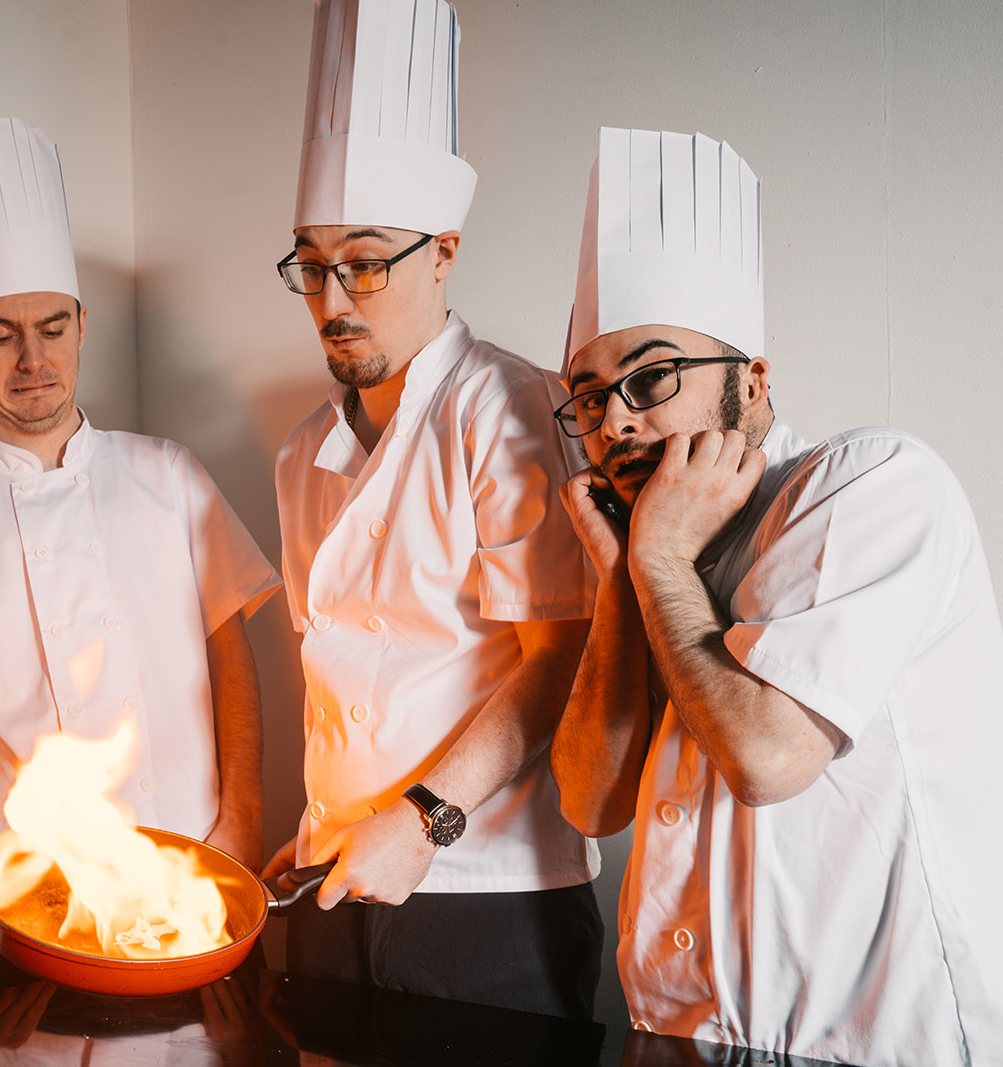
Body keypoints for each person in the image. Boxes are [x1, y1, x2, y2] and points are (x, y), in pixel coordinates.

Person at [551, 127, 1003, 1065]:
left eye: (652, 376)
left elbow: (764, 757)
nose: (615, 421)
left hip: (867, 1046)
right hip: (673, 1036)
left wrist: (659, 562)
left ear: (752, 383)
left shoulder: (872, 483)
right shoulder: (658, 547)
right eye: (589, 397)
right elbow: (591, 800)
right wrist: (623, 576)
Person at [264, 0, 603, 1019]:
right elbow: (345, 677)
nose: (333, 300)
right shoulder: (300, 455)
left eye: (366, 261)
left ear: (444, 250)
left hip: (487, 898)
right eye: (311, 265)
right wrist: (322, 822)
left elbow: (558, 653)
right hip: (335, 874)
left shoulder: (509, 405)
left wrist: (420, 820)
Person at [0, 118, 281, 942]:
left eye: (51, 328)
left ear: (82, 323)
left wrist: (245, 814)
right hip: (30, 887)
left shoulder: (169, 473)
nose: (32, 359)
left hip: (192, 863)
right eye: (1, 334)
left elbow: (230, 650)